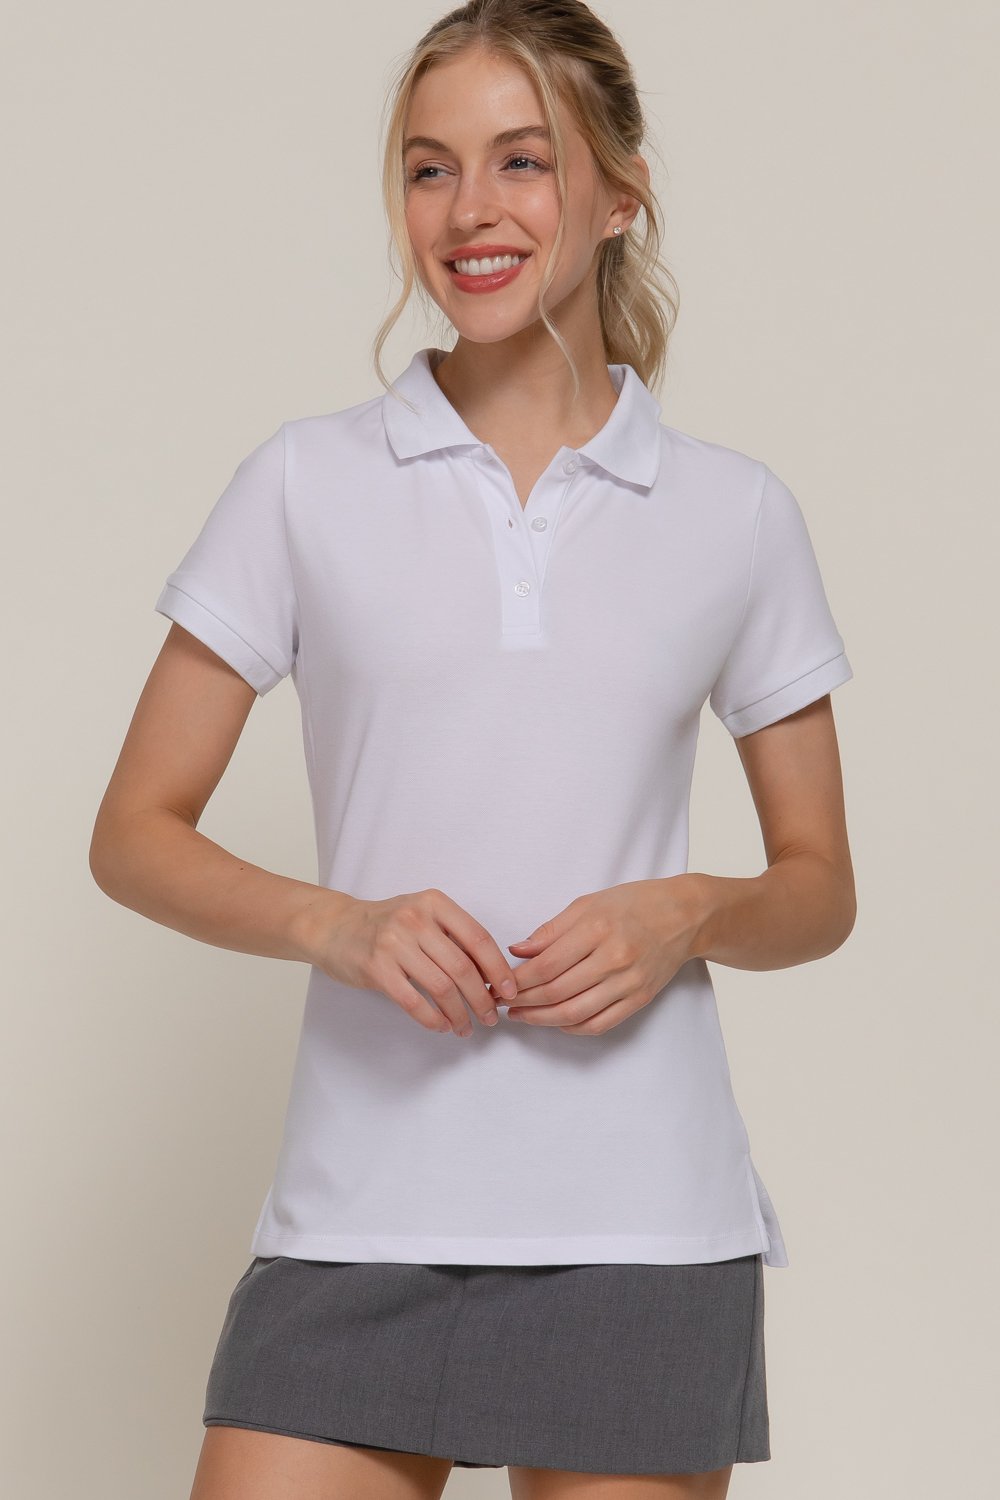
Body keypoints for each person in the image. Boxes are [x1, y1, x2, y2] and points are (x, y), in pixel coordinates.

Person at [89, 2, 856, 1497]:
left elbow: (819, 887)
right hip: (357, 1212)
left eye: (524, 159)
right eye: (430, 168)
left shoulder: (737, 515)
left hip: (641, 1228)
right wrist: (338, 924)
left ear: (620, 194)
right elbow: (134, 833)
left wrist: (688, 910)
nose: (469, 211)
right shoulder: (304, 483)